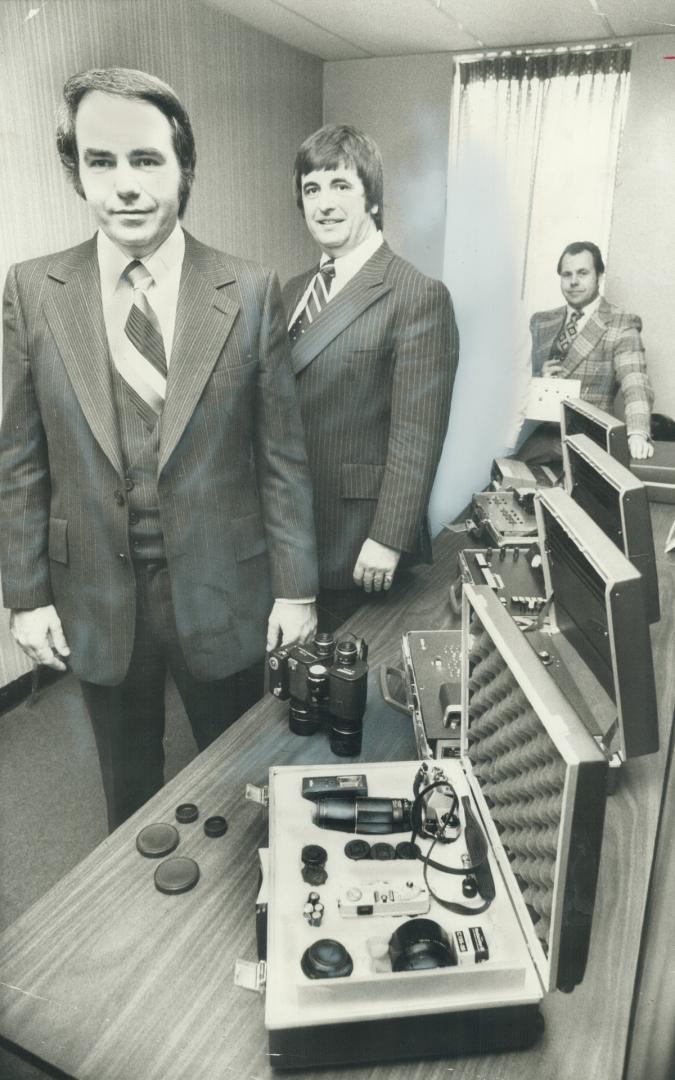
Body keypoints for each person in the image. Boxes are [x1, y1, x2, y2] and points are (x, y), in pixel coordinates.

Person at [0, 68, 318, 830]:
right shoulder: (33, 290)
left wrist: (297, 590)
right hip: (96, 599)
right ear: (76, 172)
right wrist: (26, 595)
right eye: (100, 162)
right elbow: (19, 459)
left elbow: (281, 456)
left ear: (185, 170)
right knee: (129, 791)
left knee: (242, 787)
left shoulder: (248, 289)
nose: (125, 187)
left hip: (222, 589)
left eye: (146, 160)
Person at [283, 124, 458, 631]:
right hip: (290, 535)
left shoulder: (416, 294)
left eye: (341, 187)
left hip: (357, 543)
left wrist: (388, 538)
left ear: (373, 199)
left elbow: (417, 434)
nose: (325, 204)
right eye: (312, 189)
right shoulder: (291, 290)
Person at [521, 240, 653, 464]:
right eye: (566, 274)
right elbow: (517, 386)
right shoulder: (541, 322)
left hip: (589, 444)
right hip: (539, 439)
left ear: (599, 275)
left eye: (582, 273)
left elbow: (635, 382)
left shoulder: (620, 323)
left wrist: (638, 434)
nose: (573, 282)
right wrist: (537, 380)